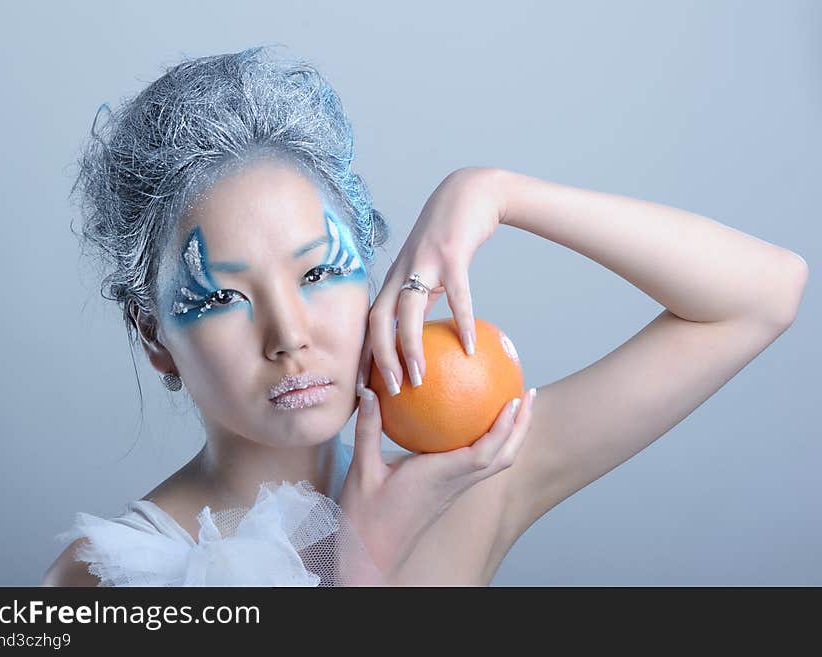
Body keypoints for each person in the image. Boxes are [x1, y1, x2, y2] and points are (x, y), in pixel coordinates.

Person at [43, 45, 808, 587]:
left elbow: (764, 294)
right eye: (221, 297)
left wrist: (497, 192)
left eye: (319, 271)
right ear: (153, 337)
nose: (291, 337)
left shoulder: (468, 484)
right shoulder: (107, 575)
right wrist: (363, 564)